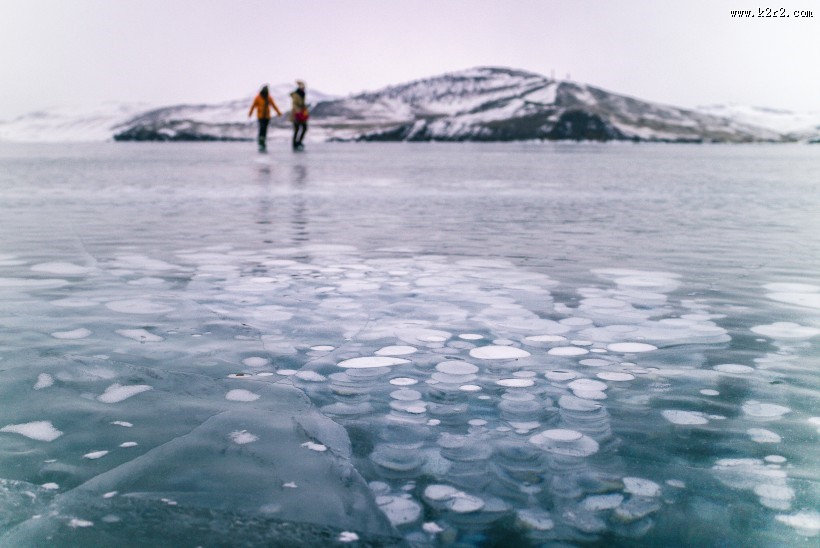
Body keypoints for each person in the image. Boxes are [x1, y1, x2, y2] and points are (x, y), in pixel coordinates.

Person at [248, 85, 282, 152]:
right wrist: (250, 113)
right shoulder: (258, 97)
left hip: (267, 116)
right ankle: (260, 141)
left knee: (265, 129)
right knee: (262, 128)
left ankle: (263, 141)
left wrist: (278, 112)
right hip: (260, 116)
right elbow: (253, 106)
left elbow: (273, 105)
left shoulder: (269, 98)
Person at [289, 80, 309, 150]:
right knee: (296, 129)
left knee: (304, 128)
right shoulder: (296, 95)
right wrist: (298, 112)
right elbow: (295, 105)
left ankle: (299, 142)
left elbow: (303, 104)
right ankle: (295, 144)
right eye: (303, 87)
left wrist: (305, 112)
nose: (304, 88)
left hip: (302, 115)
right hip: (296, 115)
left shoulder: (303, 94)